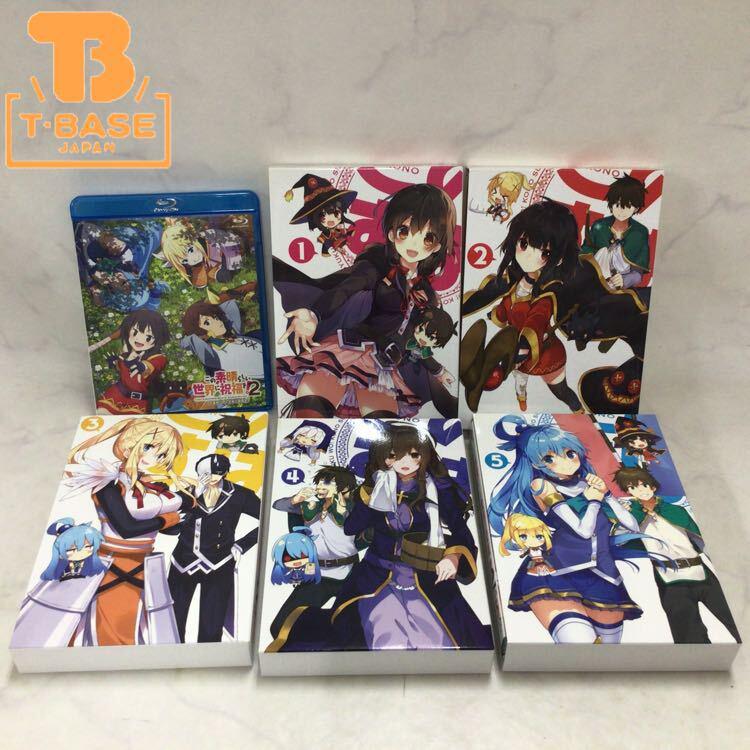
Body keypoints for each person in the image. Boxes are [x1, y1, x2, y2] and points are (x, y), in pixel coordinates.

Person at [274, 182, 458, 418]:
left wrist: (437, 370)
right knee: (313, 411)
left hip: (383, 365)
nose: (414, 243)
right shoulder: (376, 266)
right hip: (346, 348)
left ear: (438, 245)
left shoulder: (425, 292)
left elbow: (416, 340)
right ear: (391, 232)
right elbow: (348, 287)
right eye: (405, 231)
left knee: (382, 425)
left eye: (428, 237)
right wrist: (315, 314)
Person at [488, 415, 653, 644]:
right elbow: (582, 531)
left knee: (607, 651)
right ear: (534, 463)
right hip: (557, 571)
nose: (565, 462)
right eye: (549, 458)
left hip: (604, 575)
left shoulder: (588, 484)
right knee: (580, 642)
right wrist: (594, 501)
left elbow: (632, 526)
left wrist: (607, 495)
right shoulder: (542, 486)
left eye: (569, 453)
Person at [614, 466, 741, 644]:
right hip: (670, 580)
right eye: (633, 487)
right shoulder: (630, 518)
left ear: (653, 486)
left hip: (701, 572)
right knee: (689, 635)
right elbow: (619, 538)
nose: (640, 490)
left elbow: (701, 540)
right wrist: (633, 512)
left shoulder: (675, 510)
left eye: (644, 485)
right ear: (628, 491)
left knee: (738, 619)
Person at [165, 454, 261, 642]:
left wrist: (242, 545)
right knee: (173, 621)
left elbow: (267, 518)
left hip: (220, 563)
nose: (212, 477)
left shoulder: (240, 494)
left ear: (225, 472)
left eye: (217, 473)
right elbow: (166, 525)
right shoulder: (186, 493)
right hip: (183, 562)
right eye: (206, 474)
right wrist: (192, 496)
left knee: (212, 626)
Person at [269, 465, 361, 638]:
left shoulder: (354, 509)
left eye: (326, 483)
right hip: (318, 575)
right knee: (280, 627)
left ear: (344, 487)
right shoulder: (311, 507)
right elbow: (278, 505)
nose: (319, 487)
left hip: (349, 575)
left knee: (352, 631)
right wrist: (295, 499)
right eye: (318, 482)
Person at [581, 175, 650, 290]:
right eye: (617, 205)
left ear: (636, 208)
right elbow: (585, 254)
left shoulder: (640, 232)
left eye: (628, 206)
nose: (621, 210)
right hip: (592, 280)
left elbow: (638, 273)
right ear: (611, 204)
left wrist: (625, 280)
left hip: (620, 286)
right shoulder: (599, 226)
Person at [96, 309, 171, 414]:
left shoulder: (158, 358)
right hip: (115, 395)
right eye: (135, 332)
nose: (139, 339)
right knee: (101, 412)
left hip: (137, 402)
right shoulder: (127, 353)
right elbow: (123, 367)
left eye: (148, 337)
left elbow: (152, 367)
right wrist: (115, 362)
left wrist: (143, 367)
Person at [285, 173, 357, 257]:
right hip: (331, 239)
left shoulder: (340, 227)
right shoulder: (326, 232)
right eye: (323, 217)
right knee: (327, 242)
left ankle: (335, 248)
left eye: (335, 213)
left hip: (339, 238)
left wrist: (348, 233)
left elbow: (343, 232)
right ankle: (325, 252)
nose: (330, 219)